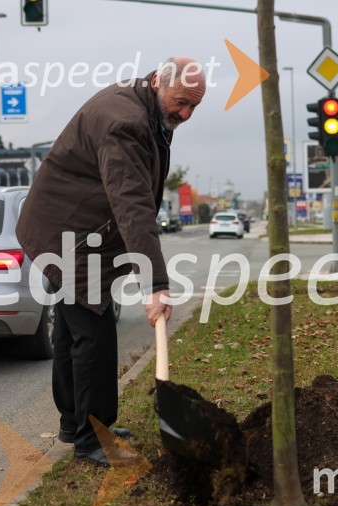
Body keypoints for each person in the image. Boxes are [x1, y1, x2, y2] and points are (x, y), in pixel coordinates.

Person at [16, 57, 206, 466]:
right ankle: (92, 439)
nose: (186, 113)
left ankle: (75, 423)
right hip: (69, 235)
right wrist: (154, 283)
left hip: (70, 228)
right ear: (157, 82)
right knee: (95, 333)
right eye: (182, 102)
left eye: (195, 106)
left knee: (70, 330)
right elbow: (133, 204)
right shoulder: (126, 123)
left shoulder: (145, 108)